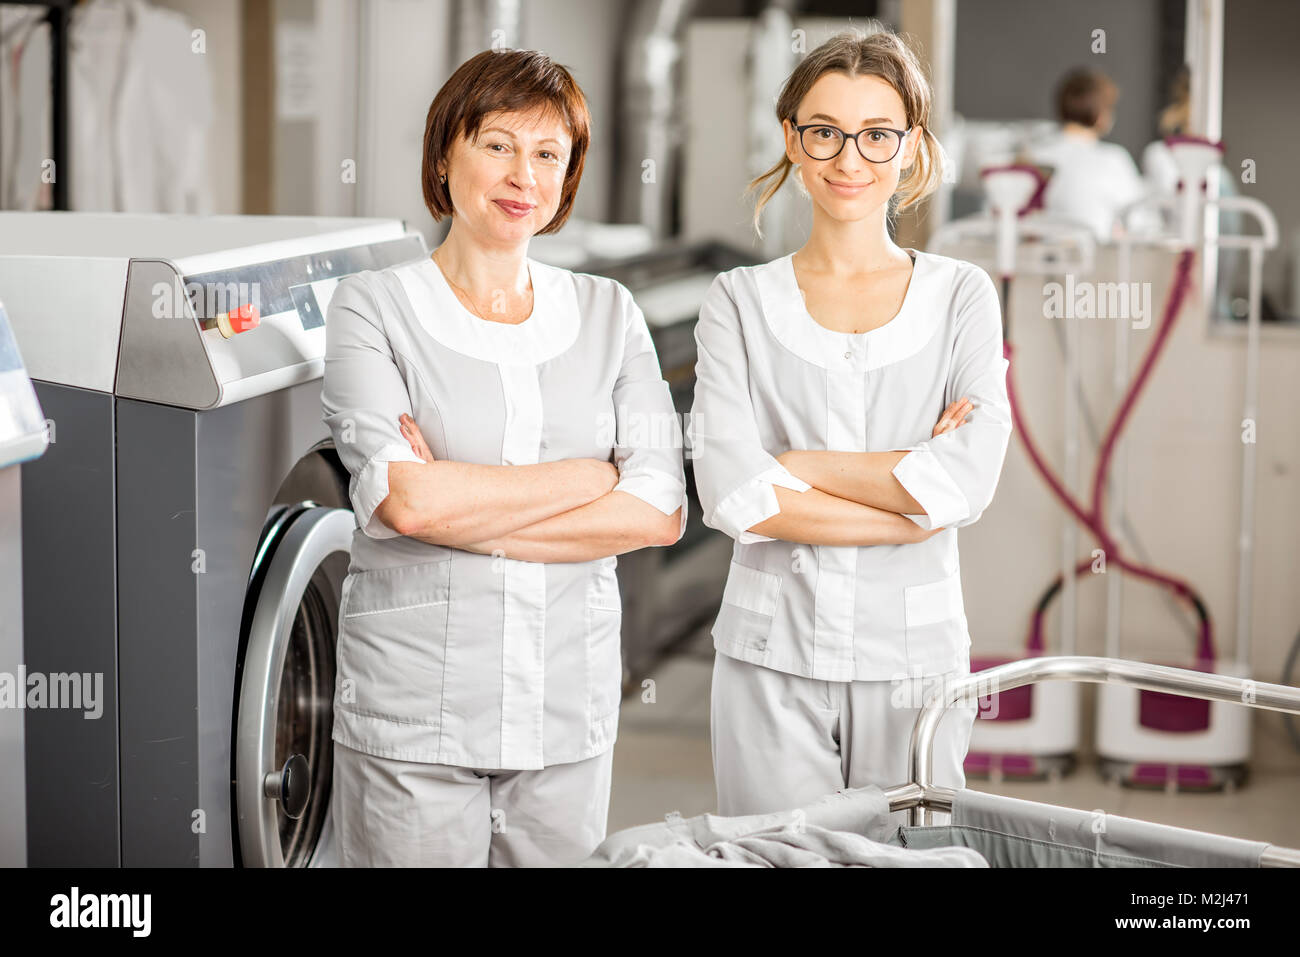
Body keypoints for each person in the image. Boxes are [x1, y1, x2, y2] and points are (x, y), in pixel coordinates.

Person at [320, 48, 687, 867]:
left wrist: (461, 501)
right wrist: (591, 477)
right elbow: (406, 505)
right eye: (497, 144)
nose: (523, 174)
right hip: (415, 716)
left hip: (565, 711)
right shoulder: (373, 306)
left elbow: (660, 509)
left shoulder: (607, 312)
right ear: (445, 153)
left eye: (548, 154)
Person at [690, 28, 1011, 820]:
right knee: (775, 856)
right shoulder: (738, 299)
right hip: (771, 658)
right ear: (792, 140)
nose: (849, 158)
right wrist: (905, 505)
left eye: (877, 134)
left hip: (914, 663)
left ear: (910, 147)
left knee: (911, 858)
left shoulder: (960, 294)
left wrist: (794, 461)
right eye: (825, 131)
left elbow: (965, 477)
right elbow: (734, 491)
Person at [1026, 67, 1150, 241]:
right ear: (1101, 115)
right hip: (1095, 261)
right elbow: (1140, 222)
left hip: (1038, 261)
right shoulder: (1113, 160)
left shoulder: (1032, 156)